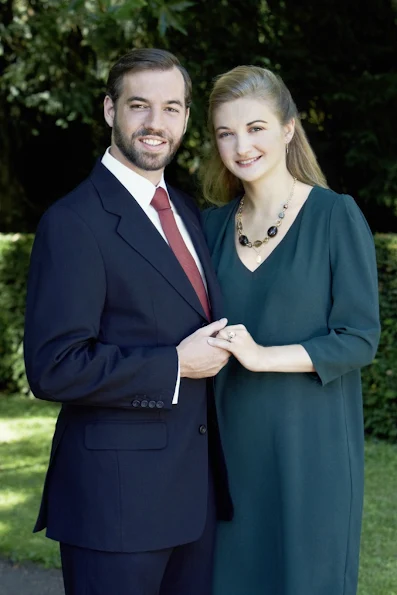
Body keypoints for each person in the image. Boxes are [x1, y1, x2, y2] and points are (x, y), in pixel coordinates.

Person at [24, 48, 233, 595]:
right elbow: (53, 367)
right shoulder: (73, 221)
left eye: (171, 108)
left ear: (187, 118)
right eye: (139, 105)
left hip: (195, 499)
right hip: (114, 507)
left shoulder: (185, 211)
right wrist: (175, 365)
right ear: (109, 110)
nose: (155, 123)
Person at [201, 65, 381, 595]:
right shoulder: (208, 226)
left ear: (287, 129)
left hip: (312, 451)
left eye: (255, 127)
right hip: (229, 454)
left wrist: (262, 355)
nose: (241, 145)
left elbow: (358, 337)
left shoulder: (335, 216)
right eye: (225, 133)